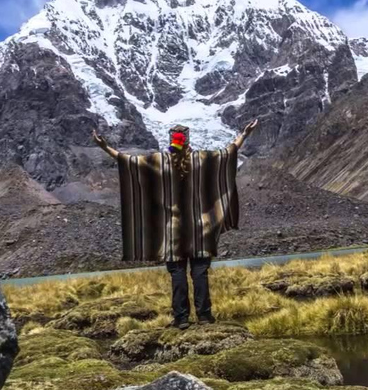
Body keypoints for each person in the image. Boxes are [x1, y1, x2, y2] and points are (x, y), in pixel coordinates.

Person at [93, 119, 258, 329]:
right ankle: (205, 316)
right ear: (188, 141)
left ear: (171, 140)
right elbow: (229, 152)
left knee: (177, 273)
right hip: (200, 228)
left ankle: (181, 319)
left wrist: (104, 146)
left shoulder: (160, 162)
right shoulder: (201, 160)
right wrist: (245, 133)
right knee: (200, 272)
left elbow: (129, 162)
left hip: (173, 231)